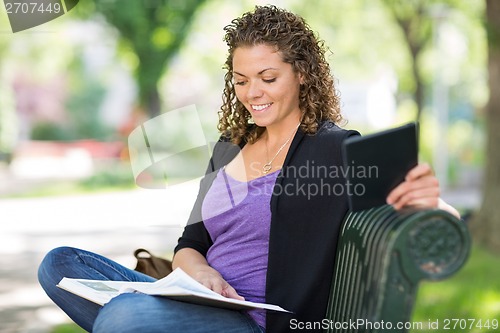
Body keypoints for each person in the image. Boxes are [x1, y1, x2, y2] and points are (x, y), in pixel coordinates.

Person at [38, 5, 460, 333]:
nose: (251, 93)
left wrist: (428, 201)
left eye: (267, 77)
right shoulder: (229, 146)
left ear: (302, 75)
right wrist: (201, 272)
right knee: (59, 265)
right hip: (198, 297)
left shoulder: (334, 149)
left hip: (256, 319)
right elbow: (191, 242)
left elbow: (437, 217)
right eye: (241, 80)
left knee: (125, 317)